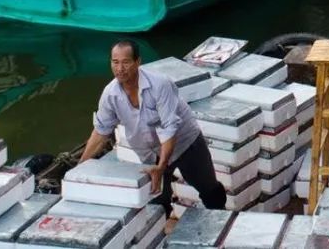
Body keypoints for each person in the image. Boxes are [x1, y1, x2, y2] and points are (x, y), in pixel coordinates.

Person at [79, 40, 226, 217]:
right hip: (150, 152)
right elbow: (101, 131)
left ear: (138, 62)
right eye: (115, 62)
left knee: (210, 190)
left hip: (185, 143)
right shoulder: (110, 94)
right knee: (157, 202)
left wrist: (162, 166)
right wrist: (80, 166)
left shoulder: (160, 85)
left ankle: (221, 221)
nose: (120, 68)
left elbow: (169, 128)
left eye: (126, 62)